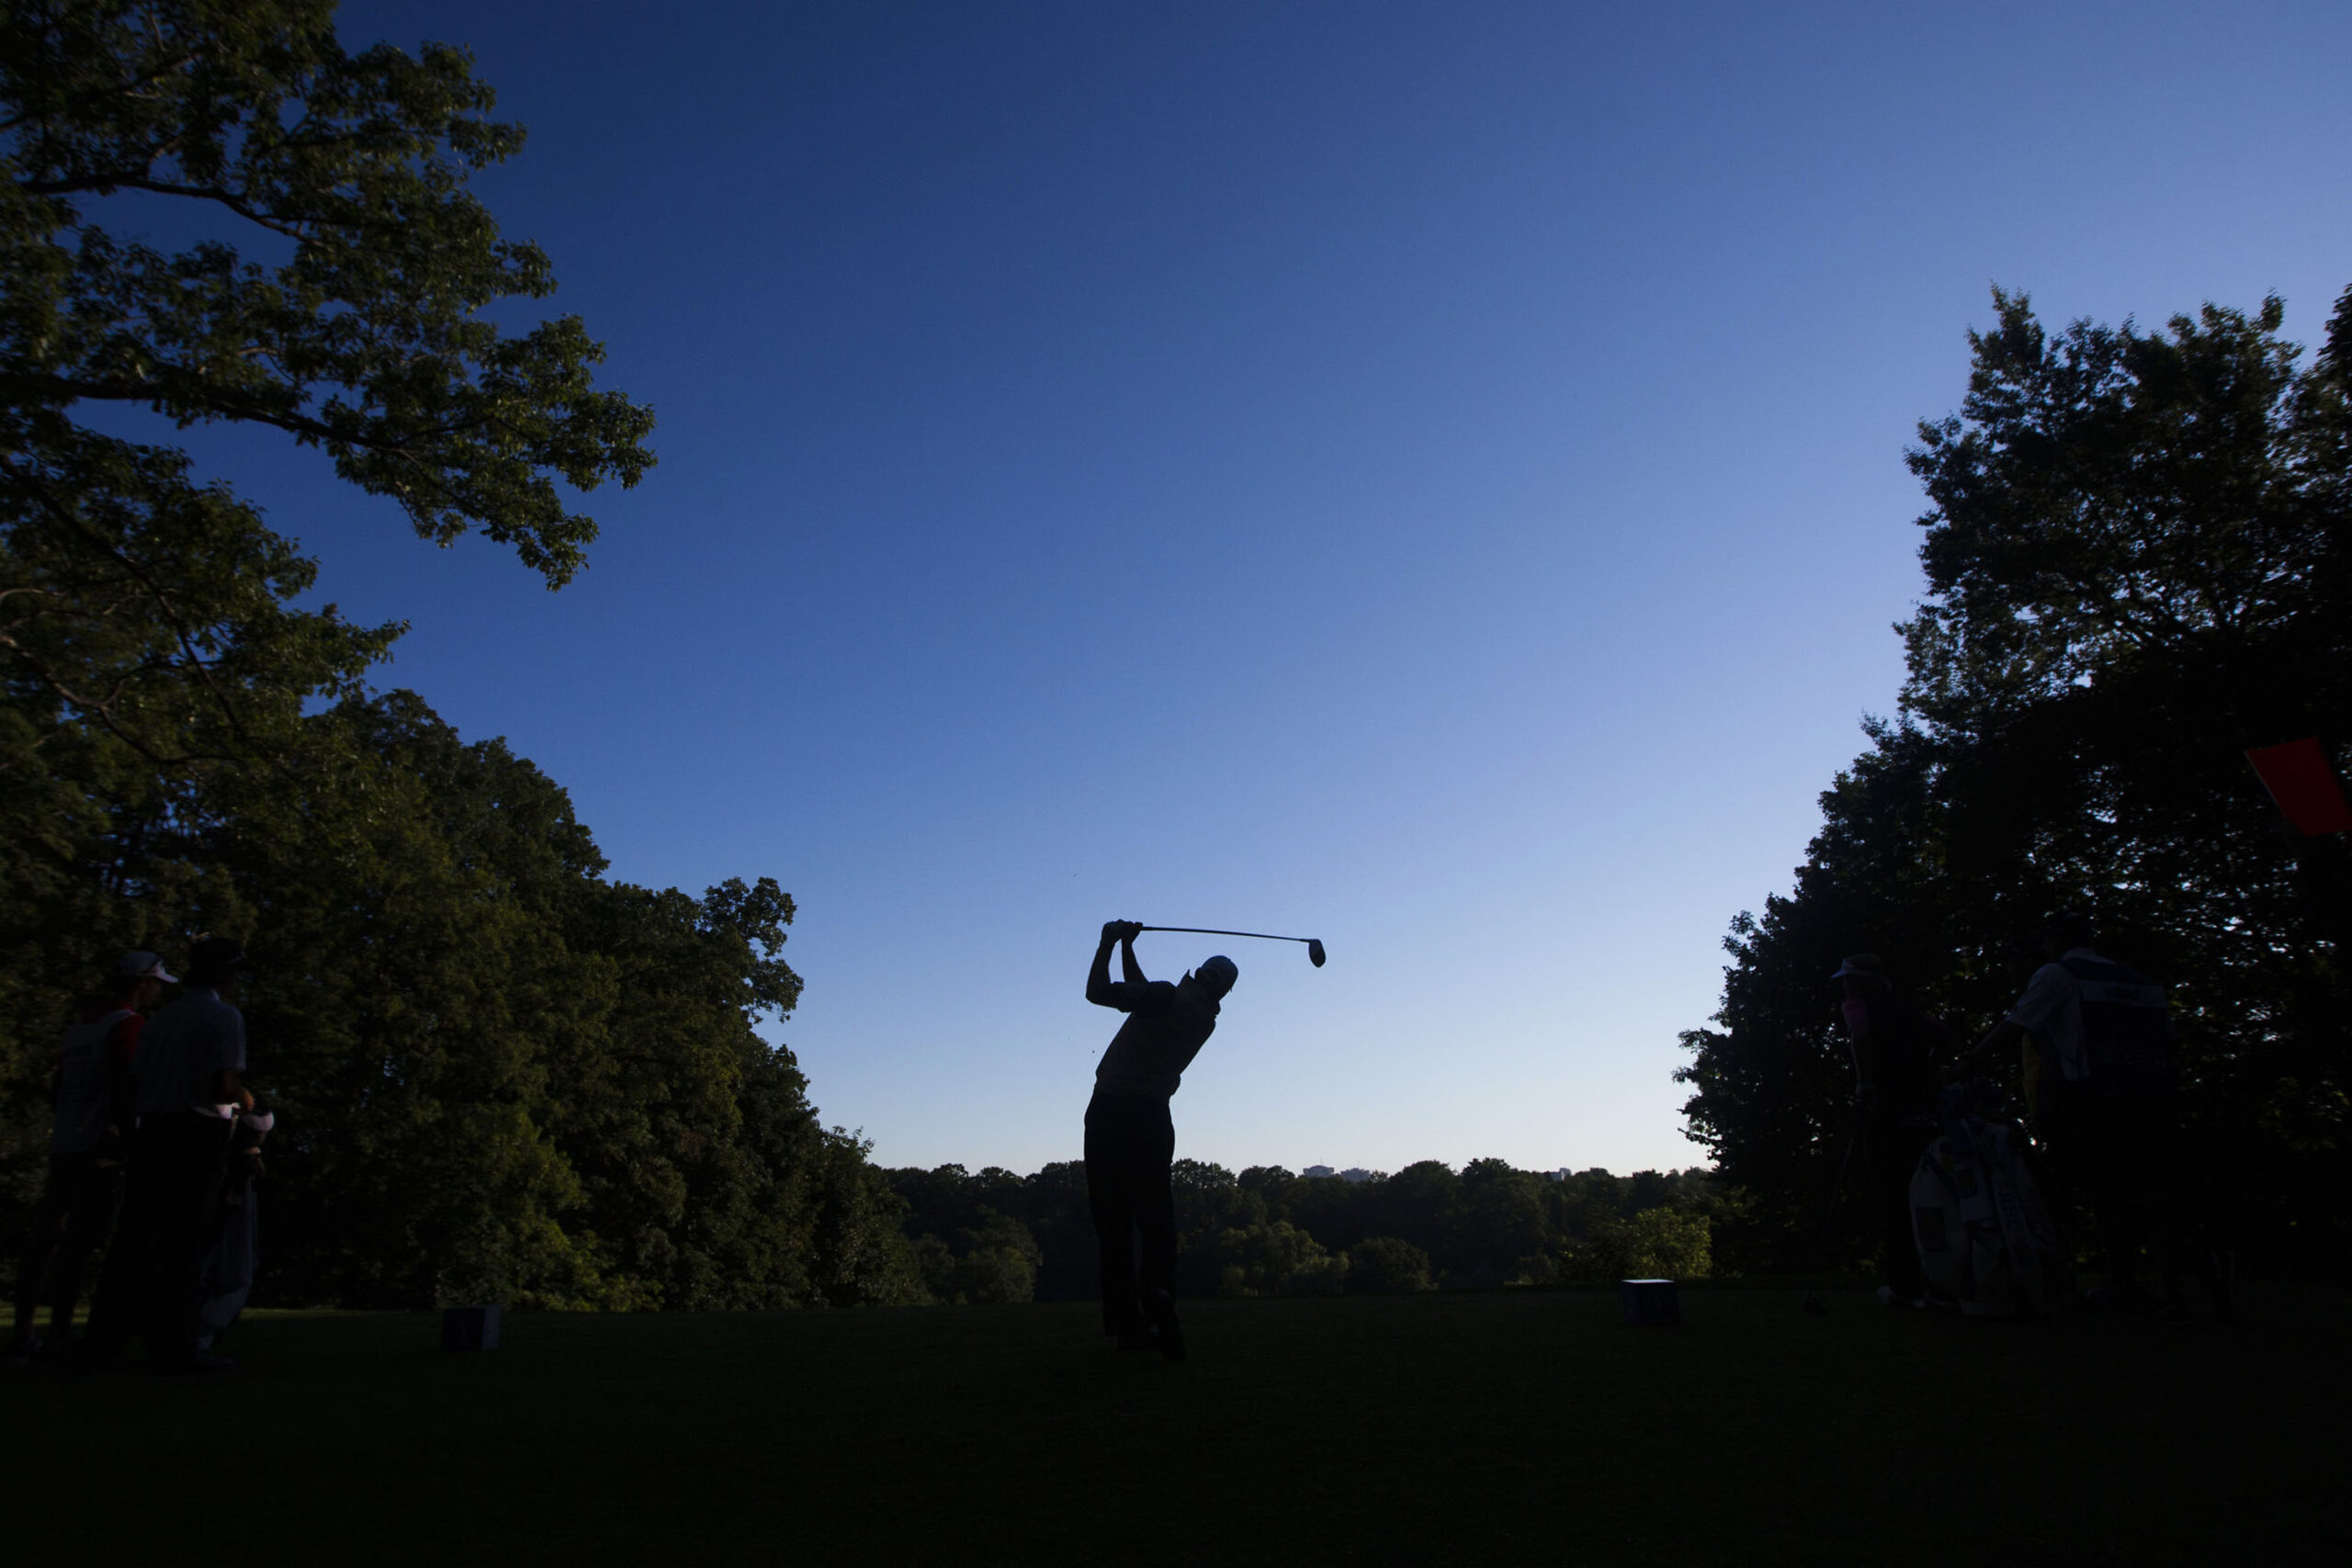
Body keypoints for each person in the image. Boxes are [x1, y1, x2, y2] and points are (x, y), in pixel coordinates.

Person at [1958, 913, 2181, 1310]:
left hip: (2100, 1093)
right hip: (2154, 1093)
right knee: (2155, 1192)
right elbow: (2169, 1042)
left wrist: (1971, 1060)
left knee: (2106, 1190)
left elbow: (2017, 1023)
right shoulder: (2140, 981)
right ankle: (2171, 1286)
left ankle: (2122, 1281)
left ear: (2054, 939)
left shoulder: (2058, 974)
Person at [81, 936, 254, 1373]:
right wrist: (247, 1100)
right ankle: (175, 1344)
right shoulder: (222, 1017)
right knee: (185, 1244)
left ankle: (102, 1342)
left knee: (134, 1240)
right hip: (197, 1133)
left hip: (154, 1131)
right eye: (234, 971)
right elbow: (221, 1085)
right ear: (221, 973)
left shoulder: (160, 1020)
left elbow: (132, 1085)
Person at [4, 952, 175, 1364]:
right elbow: (126, 1087)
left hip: (65, 1142)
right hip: (100, 1146)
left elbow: (59, 1085)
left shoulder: (82, 1028)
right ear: (141, 983)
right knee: (80, 1245)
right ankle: (60, 1335)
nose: (157, 992)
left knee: (46, 1241)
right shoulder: (128, 1026)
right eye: (156, 984)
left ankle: (23, 1334)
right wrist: (133, 1140)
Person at [1083, 920, 1237, 1362]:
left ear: (1200, 972)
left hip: (1110, 1113)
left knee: (1113, 1223)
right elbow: (1144, 996)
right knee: (1156, 1222)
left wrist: (1107, 942)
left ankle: (1127, 1327)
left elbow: (1098, 992)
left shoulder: (1167, 996)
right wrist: (1130, 948)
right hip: (1153, 1120)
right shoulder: (1203, 1019)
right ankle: (1160, 1295)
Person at [1831, 954, 1952, 1308]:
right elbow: (1946, 1037)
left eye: (1848, 979)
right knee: (1926, 1191)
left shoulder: (1856, 1004)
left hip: (1884, 1107)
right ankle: (1938, 1279)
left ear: (1858, 982)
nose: (1844, 985)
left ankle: (1905, 1285)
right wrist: (1930, 1073)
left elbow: (1861, 1038)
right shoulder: (1907, 1009)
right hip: (1921, 1106)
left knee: (1893, 1192)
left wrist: (1865, 1083)